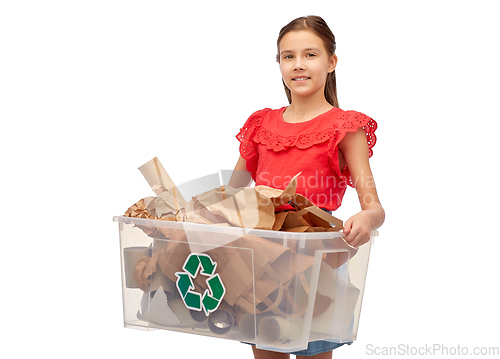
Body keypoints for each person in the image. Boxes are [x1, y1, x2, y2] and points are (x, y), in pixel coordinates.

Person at [229, 15, 385, 358]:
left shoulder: (345, 126)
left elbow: (375, 207)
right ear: (279, 64)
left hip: (316, 257)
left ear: (331, 62)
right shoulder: (260, 124)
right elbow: (229, 198)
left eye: (310, 55)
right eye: (288, 56)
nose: (298, 65)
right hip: (261, 256)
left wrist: (366, 219)